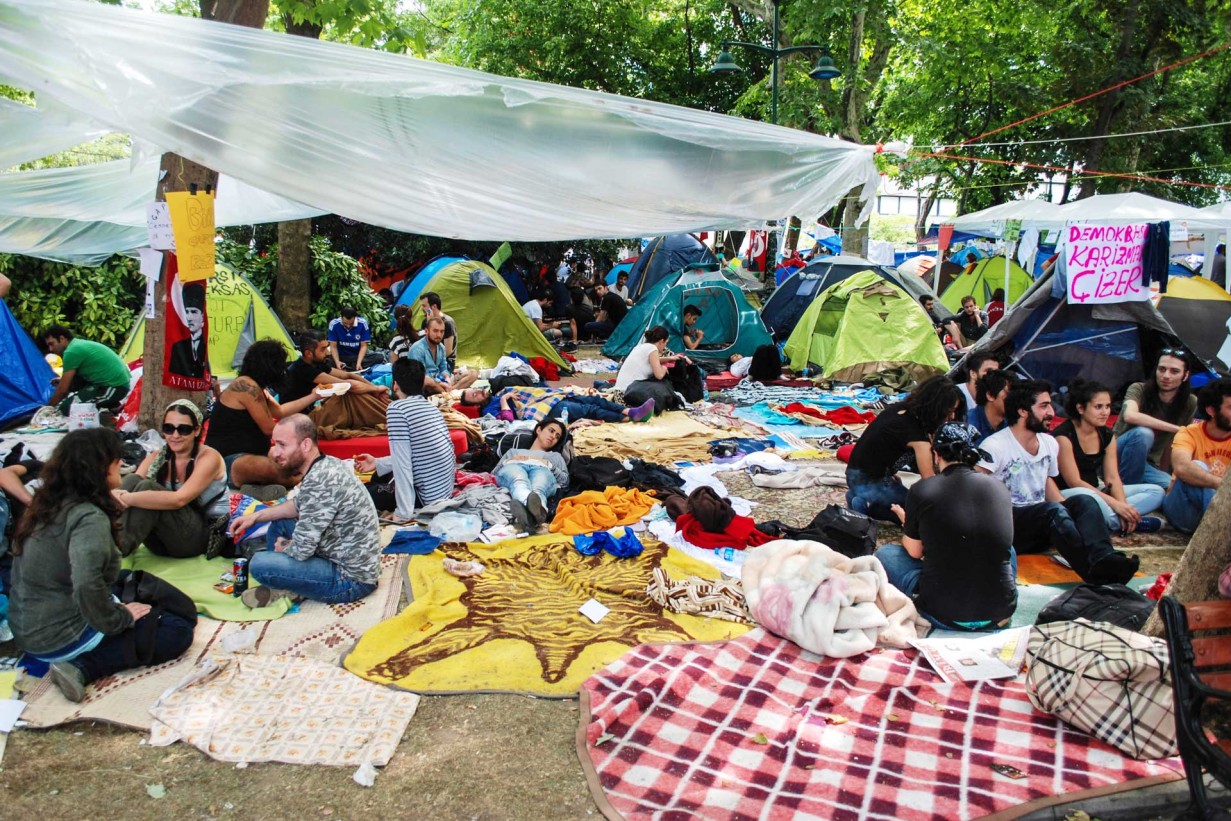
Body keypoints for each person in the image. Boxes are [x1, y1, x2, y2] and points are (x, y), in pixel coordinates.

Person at [9, 429, 194, 703]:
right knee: (177, 630)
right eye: (116, 460)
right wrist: (119, 618)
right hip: (61, 635)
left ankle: (125, 616)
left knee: (150, 590)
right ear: (99, 468)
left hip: (31, 626)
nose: (121, 463)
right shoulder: (87, 517)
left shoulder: (47, 503)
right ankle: (83, 667)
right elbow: (86, 583)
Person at [977, 380, 1138, 584]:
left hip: (1039, 521)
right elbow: (973, 489)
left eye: (1050, 405)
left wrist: (1068, 512)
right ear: (1023, 411)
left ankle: (1104, 558)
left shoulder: (1048, 443)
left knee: (1084, 501)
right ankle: (1093, 574)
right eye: (1044, 406)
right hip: (1007, 526)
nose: (1051, 412)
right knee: (1052, 511)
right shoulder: (995, 446)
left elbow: (1046, 483)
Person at [227, 415, 382, 607]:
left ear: (306, 445)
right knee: (280, 521)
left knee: (259, 564)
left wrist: (284, 547)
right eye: (274, 444)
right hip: (343, 555)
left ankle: (289, 585)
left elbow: (301, 550)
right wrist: (255, 517)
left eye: (282, 445)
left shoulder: (321, 480)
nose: (274, 453)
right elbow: (296, 505)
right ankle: (291, 581)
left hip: (351, 581)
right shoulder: (325, 463)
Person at [875, 423, 1017, 631]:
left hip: (943, 614)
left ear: (936, 455)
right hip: (1000, 613)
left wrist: (909, 524)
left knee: (887, 553)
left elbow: (915, 551)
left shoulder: (922, 489)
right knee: (1008, 551)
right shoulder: (999, 487)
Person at [113, 400, 230, 558]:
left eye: (183, 429)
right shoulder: (158, 456)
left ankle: (113, 552)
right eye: (169, 428)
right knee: (133, 480)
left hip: (202, 537)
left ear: (196, 431)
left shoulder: (209, 458)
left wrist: (123, 497)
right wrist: (114, 495)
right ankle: (102, 540)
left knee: (148, 487)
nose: (175, 435)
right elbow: (132, 485)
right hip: (163, 540)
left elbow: (179, 500)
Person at [845, 376, 965, 522]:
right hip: (870, 482)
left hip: (860, 475)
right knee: (922, 512)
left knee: (909, 499)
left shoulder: (902, 410)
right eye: (949, 410)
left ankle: (862, 498)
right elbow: (930, 481)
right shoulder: (917, 435)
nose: (952, 416)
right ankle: (868, 504)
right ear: (936, 407)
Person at [205, 339, 322, 488]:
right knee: (264, 466)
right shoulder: (246, 386)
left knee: (288, 454)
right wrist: (300, 438)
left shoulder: (257, 387)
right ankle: (299, 479)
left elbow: (281, 411)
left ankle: (265, 485)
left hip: (255, 454)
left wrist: (314, 396)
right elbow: (269, 428)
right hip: (228, 462)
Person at [1054, 379, 1164, 534]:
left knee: (1156, 492)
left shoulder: (1106, 434)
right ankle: (1131, 522)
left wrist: (1123, 506)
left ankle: (1118, 519)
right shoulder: (1063, 436)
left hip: (1098, 490)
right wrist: (1115, 504)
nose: (1105, 412)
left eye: (1107, 406)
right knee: (1092, 499)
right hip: (1072, 493)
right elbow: (1074, 482)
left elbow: (1112, 477)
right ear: (1080, 408)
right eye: (1098, 407)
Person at [355, 360, 457, 520]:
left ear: (395, 384)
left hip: (426, 496)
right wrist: (378, 463)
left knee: (359, 494)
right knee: (377, 476)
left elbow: (403, 463)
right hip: (442, 489)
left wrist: (403, 512)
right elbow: (419, 453)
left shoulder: (397, 409)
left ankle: (396, 502)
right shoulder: (430, 407)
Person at [1112, 349, 1197, 488]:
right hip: (1116, 456)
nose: (1166, 376)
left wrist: (1166, 472)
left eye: (1174, 371)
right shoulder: (1138, 389)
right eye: (1162, 369)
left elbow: (1174, 443)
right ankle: (1126, 490)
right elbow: (1130, 415)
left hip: (1148, 465)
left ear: (1185, 375)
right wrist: (1178, 429)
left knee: (1174, 487)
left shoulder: (1190, 402)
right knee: (1143, 433)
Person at [1162, 378, 1231, 533]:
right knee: (1198, 467)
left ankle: (1221, 530)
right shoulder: (1188, 433)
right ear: (1211, 411)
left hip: (1218, 512)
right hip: (1183, 510)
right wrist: (1222, 485)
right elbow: (1182, 467)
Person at [493, 418, 570, 527]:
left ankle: (529, 512)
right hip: (515, 466)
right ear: (539, 430)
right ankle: (539, 514)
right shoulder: (513, 452)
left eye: (557, 437)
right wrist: (508, 461)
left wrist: (549, 465)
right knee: (518, 480)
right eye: (551, 431)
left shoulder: (554, 456)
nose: (553, 437)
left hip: (541, 469)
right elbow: (493, 476)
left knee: (538, 486)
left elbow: (565, 482)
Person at [42, 325, 132, 415]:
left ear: (62, 338)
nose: (51, 349)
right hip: (107, 383)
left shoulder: (71, 352)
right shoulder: (76, 345)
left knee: (66, 409)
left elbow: (62, 390)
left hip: (115, 387)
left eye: (52, 344)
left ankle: (110, 404)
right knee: (71, 383)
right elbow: (68, 382)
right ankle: (111, 406)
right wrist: (62, 381)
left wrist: (48, 410)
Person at [283, 330, 388, 404]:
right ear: (308, 353)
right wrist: (376, 388)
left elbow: (347, 375)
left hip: (310, 408)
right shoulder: (303, 369)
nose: (328, 353)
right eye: (323, 349)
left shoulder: (317, 363)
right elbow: (349, 385)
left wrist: (374, 390)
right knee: (352, 397)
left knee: (359, 393)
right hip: (298, 415)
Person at [461, 385, 653, 425]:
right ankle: (629, 418)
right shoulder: (488, 410)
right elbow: (508, 421)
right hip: (541, 411)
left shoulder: (496, 392)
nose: (477, 392)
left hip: (547, 399)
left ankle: (630, 411)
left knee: (593, 399)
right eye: (473, 396)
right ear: (473, 404)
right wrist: (505, 400)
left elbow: (528, 390)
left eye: (474, 390)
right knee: (587, 410)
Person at [613, 326, 689, 411]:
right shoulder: (653, 349)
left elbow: (653, 360)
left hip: (619, 395)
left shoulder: (641, 347)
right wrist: (666, 365)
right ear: (661, 341)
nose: (665, 347)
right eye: (666, 343)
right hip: (629, 395)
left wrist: (670, 358)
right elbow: (659, 375)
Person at [406, 316, 477, 394]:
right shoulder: (418, 349)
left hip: (440, 380)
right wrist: (439, 383)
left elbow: (443, 368)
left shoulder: (441, 347)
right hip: (426, 384)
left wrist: (447, 378)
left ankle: (450, 391)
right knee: (429, 382)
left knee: (473, 374)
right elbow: (421, 376)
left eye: (442, 331)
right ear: (426, 331)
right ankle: (448, 393)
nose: (439, 335)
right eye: (435, 331)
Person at [168, 281, 209, 379]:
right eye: (187, 312)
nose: (189, 317)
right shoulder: (177, 346)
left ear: (202, 316)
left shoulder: (205, 346)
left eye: (194, 312)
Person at [968, 369, 1015, 440]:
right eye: (1008, 394)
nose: (1014, 399)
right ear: (990, 395)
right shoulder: (967, 424)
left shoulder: (1014, 425)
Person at [419, 291, 457, 357]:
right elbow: (423, 344)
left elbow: (447, 352)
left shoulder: (448, 323)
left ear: (434, 306)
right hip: (429, 359)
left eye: (424, 306)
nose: (422, 308)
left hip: (445, 362)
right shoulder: (425, 322)